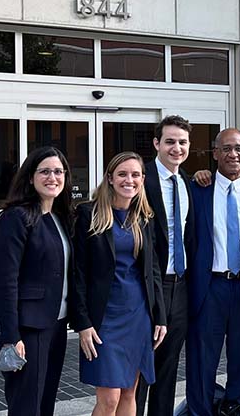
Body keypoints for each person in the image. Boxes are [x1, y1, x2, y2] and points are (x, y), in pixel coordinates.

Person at [70, 152, 168, 416]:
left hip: (138, 316)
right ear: (110, 178)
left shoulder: (144, 217)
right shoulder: (89, 214)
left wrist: (160, 316)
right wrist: (83, 323)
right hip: (104, 319)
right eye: (122, 174)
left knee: (129, 391)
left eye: (135, 174)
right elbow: (78, 273)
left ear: (143, 179)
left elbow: (153, 271)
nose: (129, 180)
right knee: (109, 399)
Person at [186, 128, 240, 416]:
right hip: (210, 286)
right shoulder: (198, 190)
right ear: (215, 154)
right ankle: (201, 410)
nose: (233, 154)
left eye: (238, 148)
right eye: (226, 148)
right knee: (203, 357)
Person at [0, 147, 74, 416]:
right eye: (45, 171)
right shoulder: (16, 217)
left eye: (58, 171)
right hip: (28, 328)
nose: (53, 177)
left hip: (56, 325)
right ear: (30, 177)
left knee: (45, 403)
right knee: (26, 407)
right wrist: (11, 336)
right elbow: (5, 281)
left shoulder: (59, 217)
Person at [136, 117, 196, 416]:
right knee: (141, 368)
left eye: (182, 142)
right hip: (147, 288)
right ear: (156, 143)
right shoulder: (140, 179)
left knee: (169, 367)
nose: (176, 148)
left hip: (180, 286)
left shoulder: (187, 181)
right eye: (170, 141)